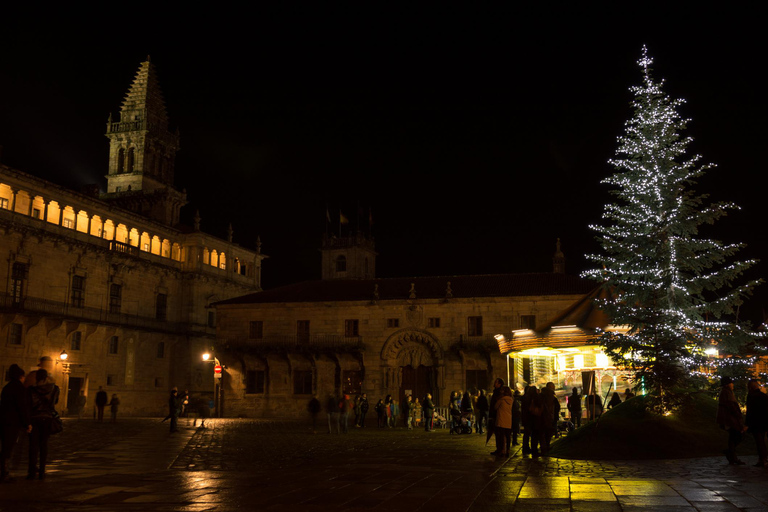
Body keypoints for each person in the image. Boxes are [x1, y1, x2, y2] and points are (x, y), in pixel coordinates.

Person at [27, 369, 60, 480]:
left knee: (33, 446)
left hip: (34, 419)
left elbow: (29, 405)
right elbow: (55, 402)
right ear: (46, 377)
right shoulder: (54, 389)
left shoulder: (31, 390)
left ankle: (31, 471)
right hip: (47, 418)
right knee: (44, 445)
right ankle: (42, 471)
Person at [1, 364, 31, 482]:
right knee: (8, 448)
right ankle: (4, 473)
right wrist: (27, 423)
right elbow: (22, 407)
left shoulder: (6, 388)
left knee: (4, 447)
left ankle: (4, 471)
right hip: (13, 423)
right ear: (20, 376)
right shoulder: (19, 388)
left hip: (3, 421)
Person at [717, 376, 747, 465]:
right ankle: (731, 453)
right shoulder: (727, 393)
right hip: (730, 419)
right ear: (727, 384)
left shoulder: (727, 392)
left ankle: (731, 454)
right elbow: (731, 406)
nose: (732, 385)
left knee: (733, 436)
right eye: (731, 383)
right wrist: (738, 415)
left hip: (729, 418)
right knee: (737, 434)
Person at [745, 379, 768, 467]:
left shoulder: (751, 396)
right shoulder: (763, 396)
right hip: (764, 422)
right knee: (762, 440)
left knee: (759, 442)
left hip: (755, 422)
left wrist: (747, 423)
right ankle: (763, 458)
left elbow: (750, 411)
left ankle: (763, 459)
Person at [493, 386, 514, 456]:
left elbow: (495, 407)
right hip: (508, 419)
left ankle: (502, 450)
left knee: (502, 436)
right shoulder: (511, 400)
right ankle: (508, 450)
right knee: (508, 436)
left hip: (501, 419)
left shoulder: (501, 400)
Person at [540, 383, 557, 455]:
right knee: (548, 433)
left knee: (542, 433)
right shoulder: (552, 398)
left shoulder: (540, 397)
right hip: (549, 417)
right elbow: (556, 408)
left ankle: (543, 447)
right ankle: (547, 446)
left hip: (541, 418)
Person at [488, 378, 504, 455]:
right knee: (497, 433)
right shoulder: (496, 392)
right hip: (495, 415)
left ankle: (500, 449)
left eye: (496, 382)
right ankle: (499, 448)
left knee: (499, 433)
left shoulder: (499, 393)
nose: (494, 383)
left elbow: (496, 405)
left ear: (499, 384)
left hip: (497, 415)